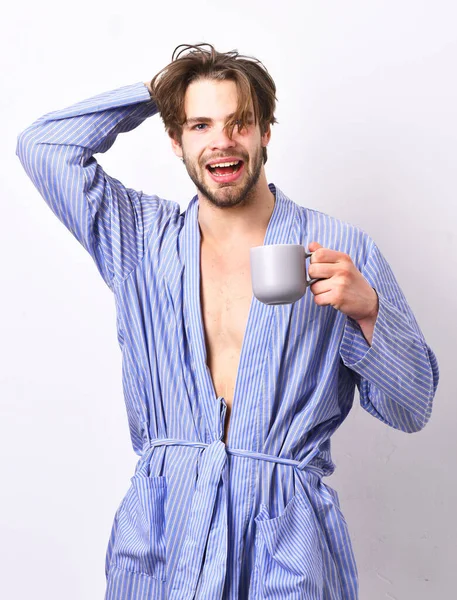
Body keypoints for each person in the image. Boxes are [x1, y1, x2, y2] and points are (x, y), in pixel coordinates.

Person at [16, 43, 439, 600]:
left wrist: (369, 313)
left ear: (265, 132)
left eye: (240, 122)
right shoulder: (140, 241)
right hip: (163, 543)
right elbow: (42, 146)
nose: (222, 141)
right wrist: (164, 89)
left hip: (286, 549)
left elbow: (413, 408)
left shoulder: (337, 249)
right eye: (199, 124)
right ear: (175, 140)